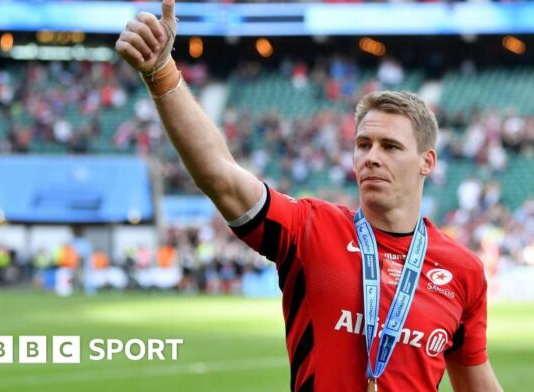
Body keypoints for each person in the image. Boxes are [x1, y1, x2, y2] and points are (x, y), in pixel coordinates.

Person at [115, 1, 503, 390]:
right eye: (363, 144)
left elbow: (476, 383)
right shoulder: (310, 229)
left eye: (390, 147)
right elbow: (220, 176)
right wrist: (162, 73)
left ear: (427, 162)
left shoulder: (462, 271)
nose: (371, 157)